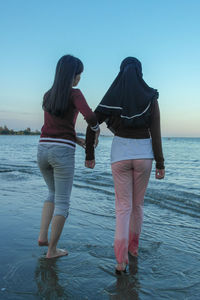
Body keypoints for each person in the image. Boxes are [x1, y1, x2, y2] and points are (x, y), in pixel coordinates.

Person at [85, 57, 165, 273]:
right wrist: (160, 162)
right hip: (144, 156)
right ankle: (134, 249)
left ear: (121, 72)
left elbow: (92, 121)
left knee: (123, 208)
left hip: (119, 155)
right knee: (137, 206)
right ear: (140, 73)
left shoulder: (114, 94)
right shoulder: (150, 96)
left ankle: (120, 261)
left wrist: (89, 152)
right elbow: (155, 131)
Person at [37, 55, 99, 258]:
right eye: (79, 74)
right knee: (63, 201)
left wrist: (76, 139)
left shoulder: (48, 95)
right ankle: (52, 250)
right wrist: (96, 130)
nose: (79, 78)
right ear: (73, 76)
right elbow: (89, 116)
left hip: (42, 149)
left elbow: (57, 125)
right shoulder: (75, 94)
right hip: (62, 152)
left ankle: (42, 237)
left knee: (51, 194)